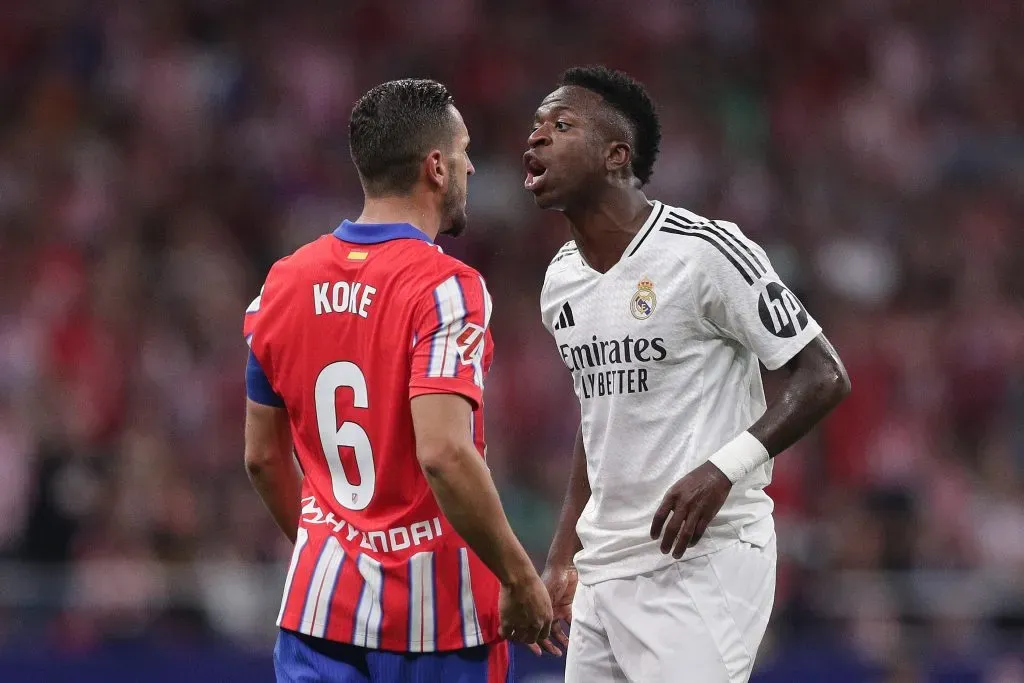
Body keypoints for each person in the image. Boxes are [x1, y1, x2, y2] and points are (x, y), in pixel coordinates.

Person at [526, 66, 852, 682]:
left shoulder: (705, 251)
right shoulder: (559, 281)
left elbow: (824, 375)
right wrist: (563, 554)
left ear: (616, 155)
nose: (536, 138)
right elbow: (597, 418)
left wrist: (722, 470)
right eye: (536, 127)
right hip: (603, 571)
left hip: (702, 561)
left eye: (561, 125)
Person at [243, 78, 552, 683]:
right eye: (463, 151)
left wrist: (335, 550)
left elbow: (261, 458)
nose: (470, 165)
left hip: (318, 617)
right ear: (435, 167)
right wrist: (519, 578)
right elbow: (443, 452)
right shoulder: (446, 287)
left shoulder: (280, 283)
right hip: (439, 627)